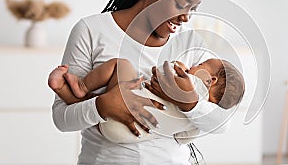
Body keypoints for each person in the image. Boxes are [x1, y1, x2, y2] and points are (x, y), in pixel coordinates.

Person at [51, 0, 235, 165]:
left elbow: (223, 122)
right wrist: (102, 106)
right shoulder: (92, 30)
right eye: (181, 4)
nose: (186, 18)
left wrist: (190, 103)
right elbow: (61, 118)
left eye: (193, 9)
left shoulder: (191, 45)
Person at [49, 58, 245, 144]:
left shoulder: (192, 83)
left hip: (120, 110)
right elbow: (183, 138)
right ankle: (63, 89)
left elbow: (159, 72)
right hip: (129, 135)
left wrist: (179, 68)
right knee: (104, 101)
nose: (194, 65)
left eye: (200, 65)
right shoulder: (198, 122)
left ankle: (81, 86)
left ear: (211, 80)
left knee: (121, 65)